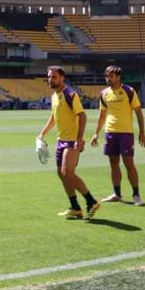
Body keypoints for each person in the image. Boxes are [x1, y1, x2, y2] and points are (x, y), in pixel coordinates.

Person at [37, 66, 100, 220]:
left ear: (62, 78)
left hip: (72, 140)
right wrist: (42, 134)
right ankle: (75, 207)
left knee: (67, 172)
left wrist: (80, 138)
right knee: (61, 173)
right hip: (61, 140)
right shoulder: (54, 95)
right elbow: (54, 117)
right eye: (49, 77)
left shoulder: (70, 94)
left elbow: (82, 116)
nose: (50, 79)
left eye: (54, 77)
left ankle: (91, 201)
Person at [91, 65, 145, 205]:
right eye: (106, 76)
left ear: (118, 77)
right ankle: (117, 194)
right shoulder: (104, 93)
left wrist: (142, 132)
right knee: (113, 164)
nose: (108, 79)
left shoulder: (129, 91)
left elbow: (139, 112)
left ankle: (136, 195)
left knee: (128, 163)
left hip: (126, 133)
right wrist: (96, 133)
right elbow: (102, 115)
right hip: (110, 133)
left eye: (111, 76)